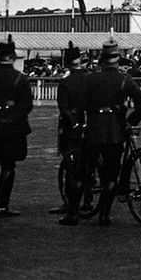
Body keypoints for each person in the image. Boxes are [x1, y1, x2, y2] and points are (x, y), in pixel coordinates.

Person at [73, 39, 141, 227]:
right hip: (116, 131)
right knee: (111, 175)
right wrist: (130, 122)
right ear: (117, 60)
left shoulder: (91, 79)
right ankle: (105, 215)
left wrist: (83, 122)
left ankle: (73, 214)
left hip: (93, 130)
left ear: (101, 60)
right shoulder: (125, 80)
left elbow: (80, 106)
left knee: (83, 172)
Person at [0, 36, 34, 217]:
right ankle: (2, 206)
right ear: (13, 56)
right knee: (8, 167)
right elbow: (26, 105)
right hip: (13, 130)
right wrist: (11, 119)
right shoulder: (20, 79)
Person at [52, 43, 90, 217]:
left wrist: (74, 122)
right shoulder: (90, 79)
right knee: (89, 163)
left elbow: (64, 108)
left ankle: (69, 202)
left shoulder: (65, 82)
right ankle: (88, 200)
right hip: (89, 122)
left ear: (67, 63)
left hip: (71, 125)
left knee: (70, 165)